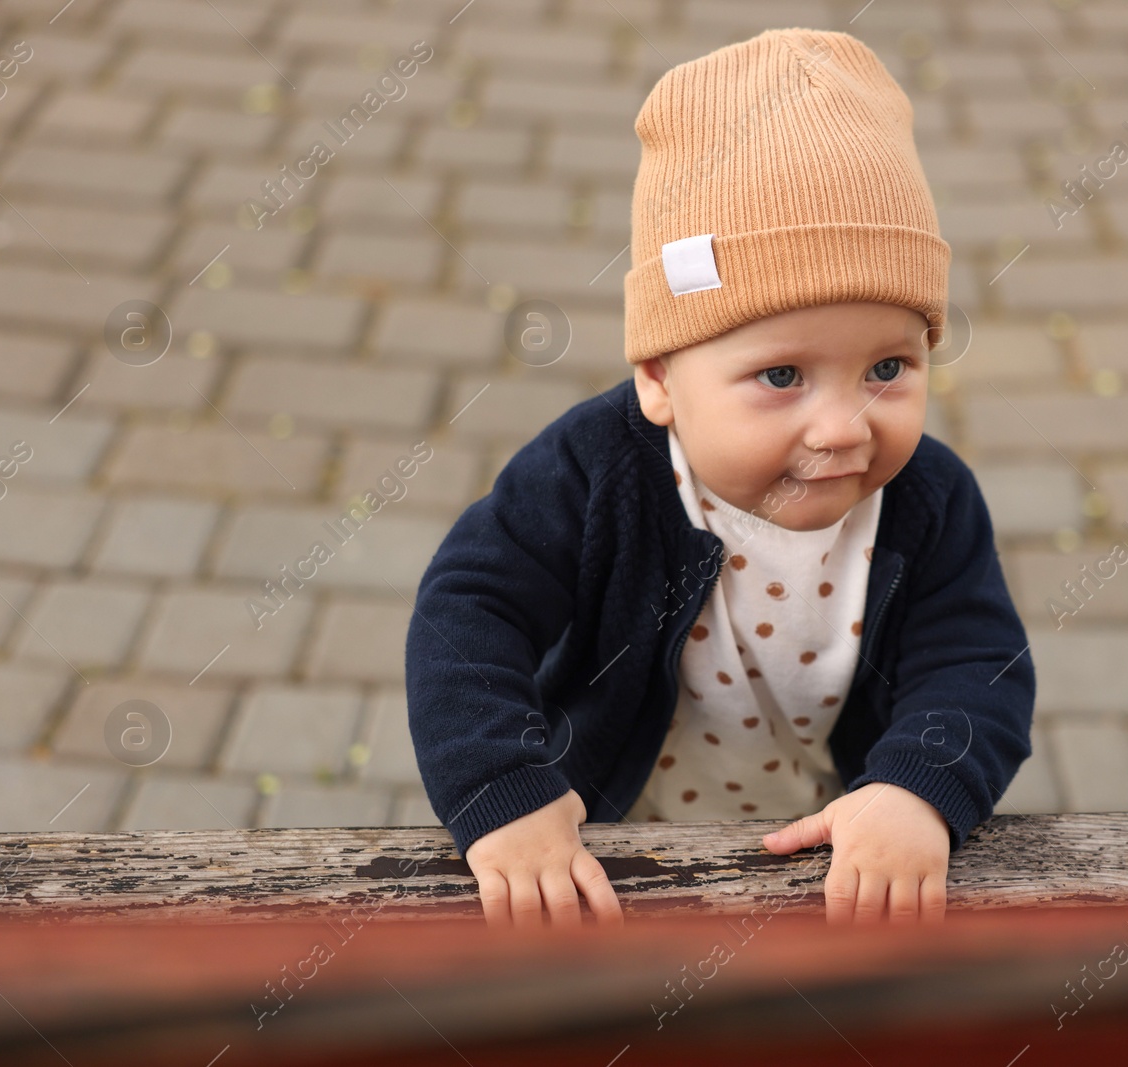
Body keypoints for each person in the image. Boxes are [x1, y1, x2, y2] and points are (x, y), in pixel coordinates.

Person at [405, 26, 1035, 930]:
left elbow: (977, 663)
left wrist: (917, 790)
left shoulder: (928, 500)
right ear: (659, 378)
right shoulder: (594, 475)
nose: (843, 425)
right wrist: (506, 790)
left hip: (821, 848)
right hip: (603, 854)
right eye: (782, 377)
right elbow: (469, 610)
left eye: (888, 368)